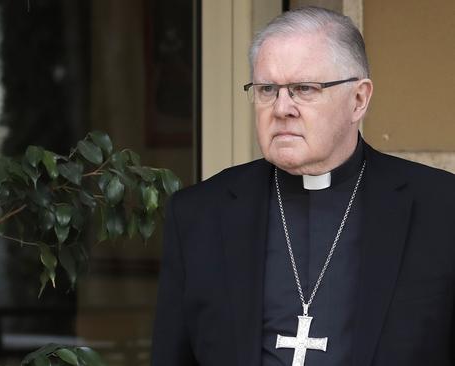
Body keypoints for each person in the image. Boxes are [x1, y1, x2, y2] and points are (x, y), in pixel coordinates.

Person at [151, 6, 455, 366]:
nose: (281, 108)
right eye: (267, 89)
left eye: (304, 89)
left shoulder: (442, 209)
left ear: (359, 99)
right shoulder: (199, 214)